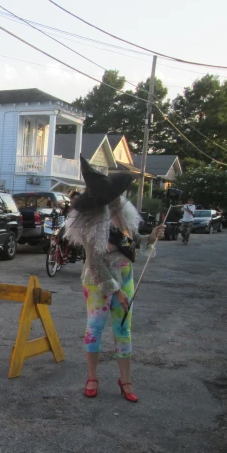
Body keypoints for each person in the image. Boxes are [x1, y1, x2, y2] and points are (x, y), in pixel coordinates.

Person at [64, 157, 164, 403]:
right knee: (95, 330)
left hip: (126, 276)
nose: (116, 200)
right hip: (98, 281)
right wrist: (117, 291)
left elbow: (131, 241)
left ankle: (125, 380)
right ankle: (92, 377)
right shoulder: (91, 220)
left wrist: (150, 238)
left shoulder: (122, 211)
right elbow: (95, 262)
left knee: (123, 330)